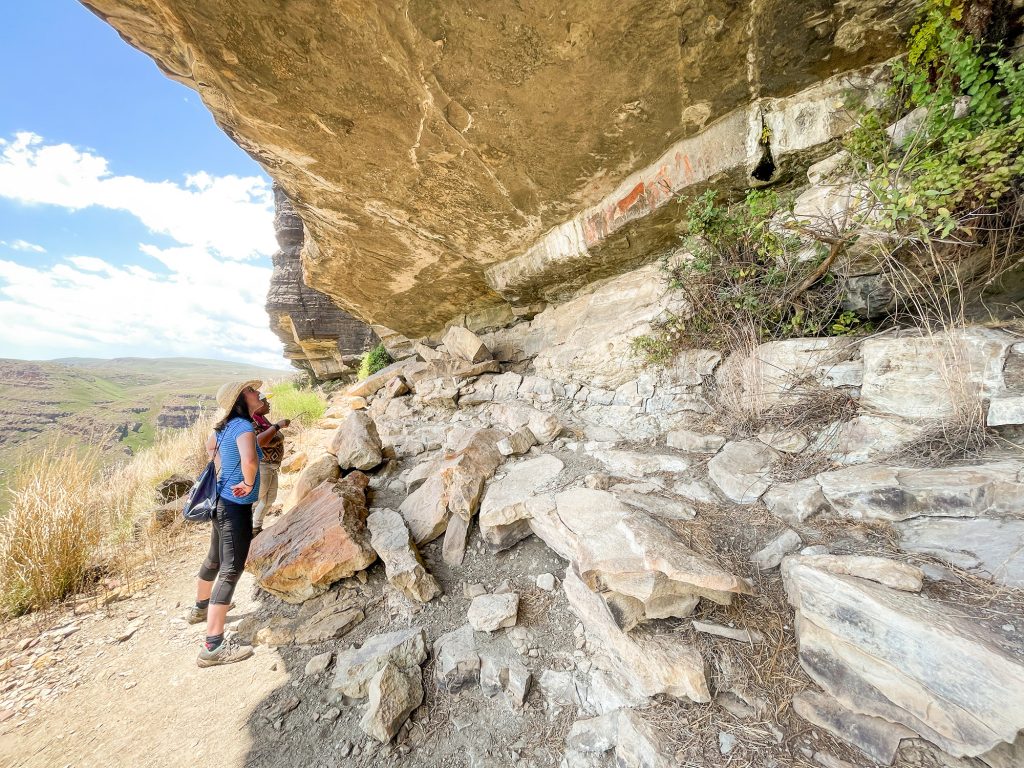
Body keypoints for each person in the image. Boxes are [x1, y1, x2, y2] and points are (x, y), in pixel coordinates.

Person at [185, 379, 264, 667]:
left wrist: (226, 476)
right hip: (235, 505)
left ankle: (200, 608)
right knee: (232, 568)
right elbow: (250, 460)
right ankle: (212, 647)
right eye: (252, 391)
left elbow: (212, 451)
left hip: (220, 501)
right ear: (241, 398)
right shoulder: (243, 427)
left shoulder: (222, 427)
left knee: (215, 559)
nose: (258, 393)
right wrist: (247, 481)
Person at [250, 392, 290, 537]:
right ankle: (246, 530)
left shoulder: (261, 419)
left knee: (269, 498)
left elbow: (272, 437)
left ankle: (256, 527)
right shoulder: (251, 421)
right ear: (257, 405)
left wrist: (275, 433)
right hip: (262, 465)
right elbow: (260, 441)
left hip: (271, 466)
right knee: (257, 498)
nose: (268, 404)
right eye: (265, 402)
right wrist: (277, 428)